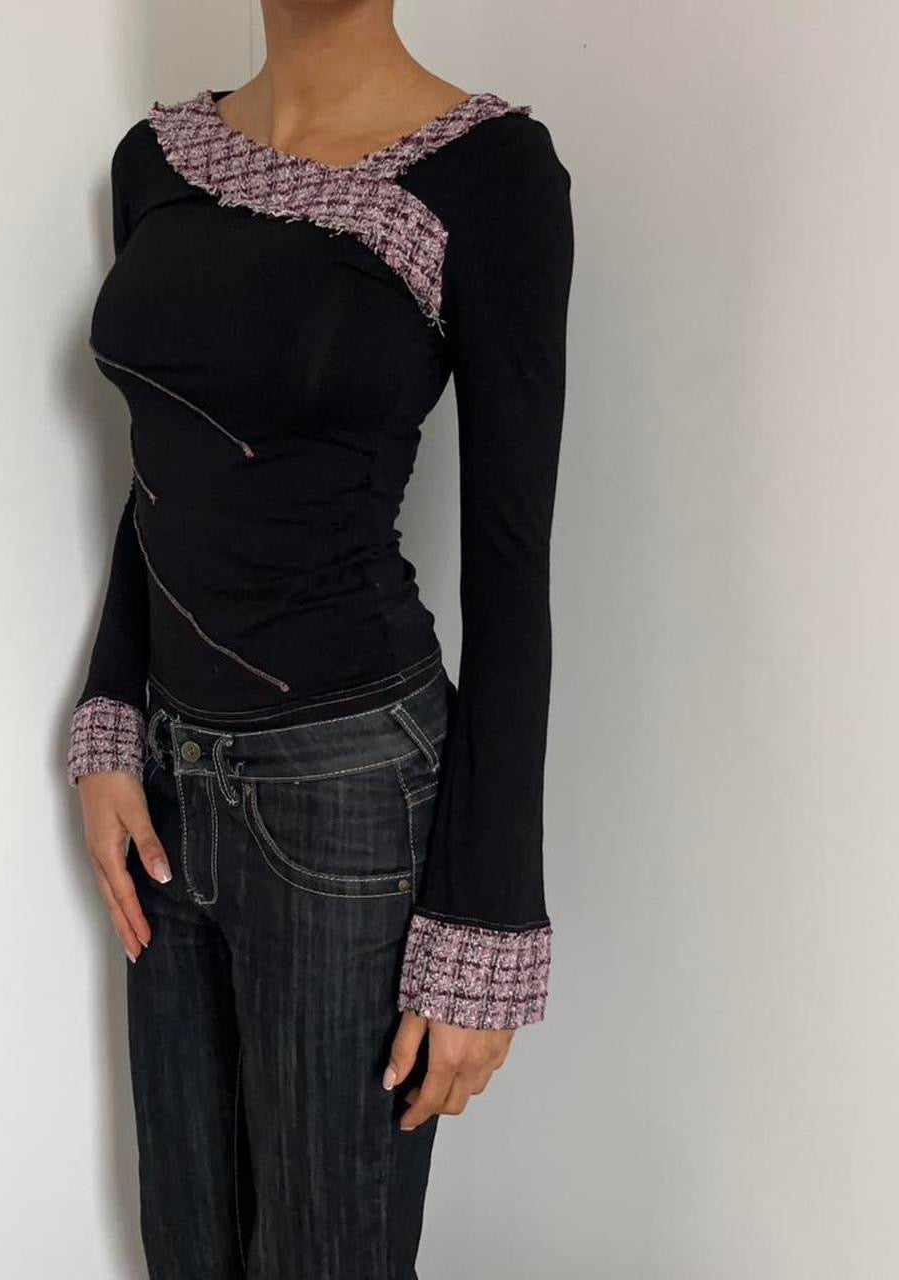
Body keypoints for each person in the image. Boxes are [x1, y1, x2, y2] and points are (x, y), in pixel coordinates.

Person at [66, 3, 574, 1275]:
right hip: (167, 789)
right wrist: (110, 714)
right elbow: (162, 470)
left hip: (350, 790)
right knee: (186, 1240)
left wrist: (483, 924)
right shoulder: (154, 160)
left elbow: (509, 560)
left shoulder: (490, 174)